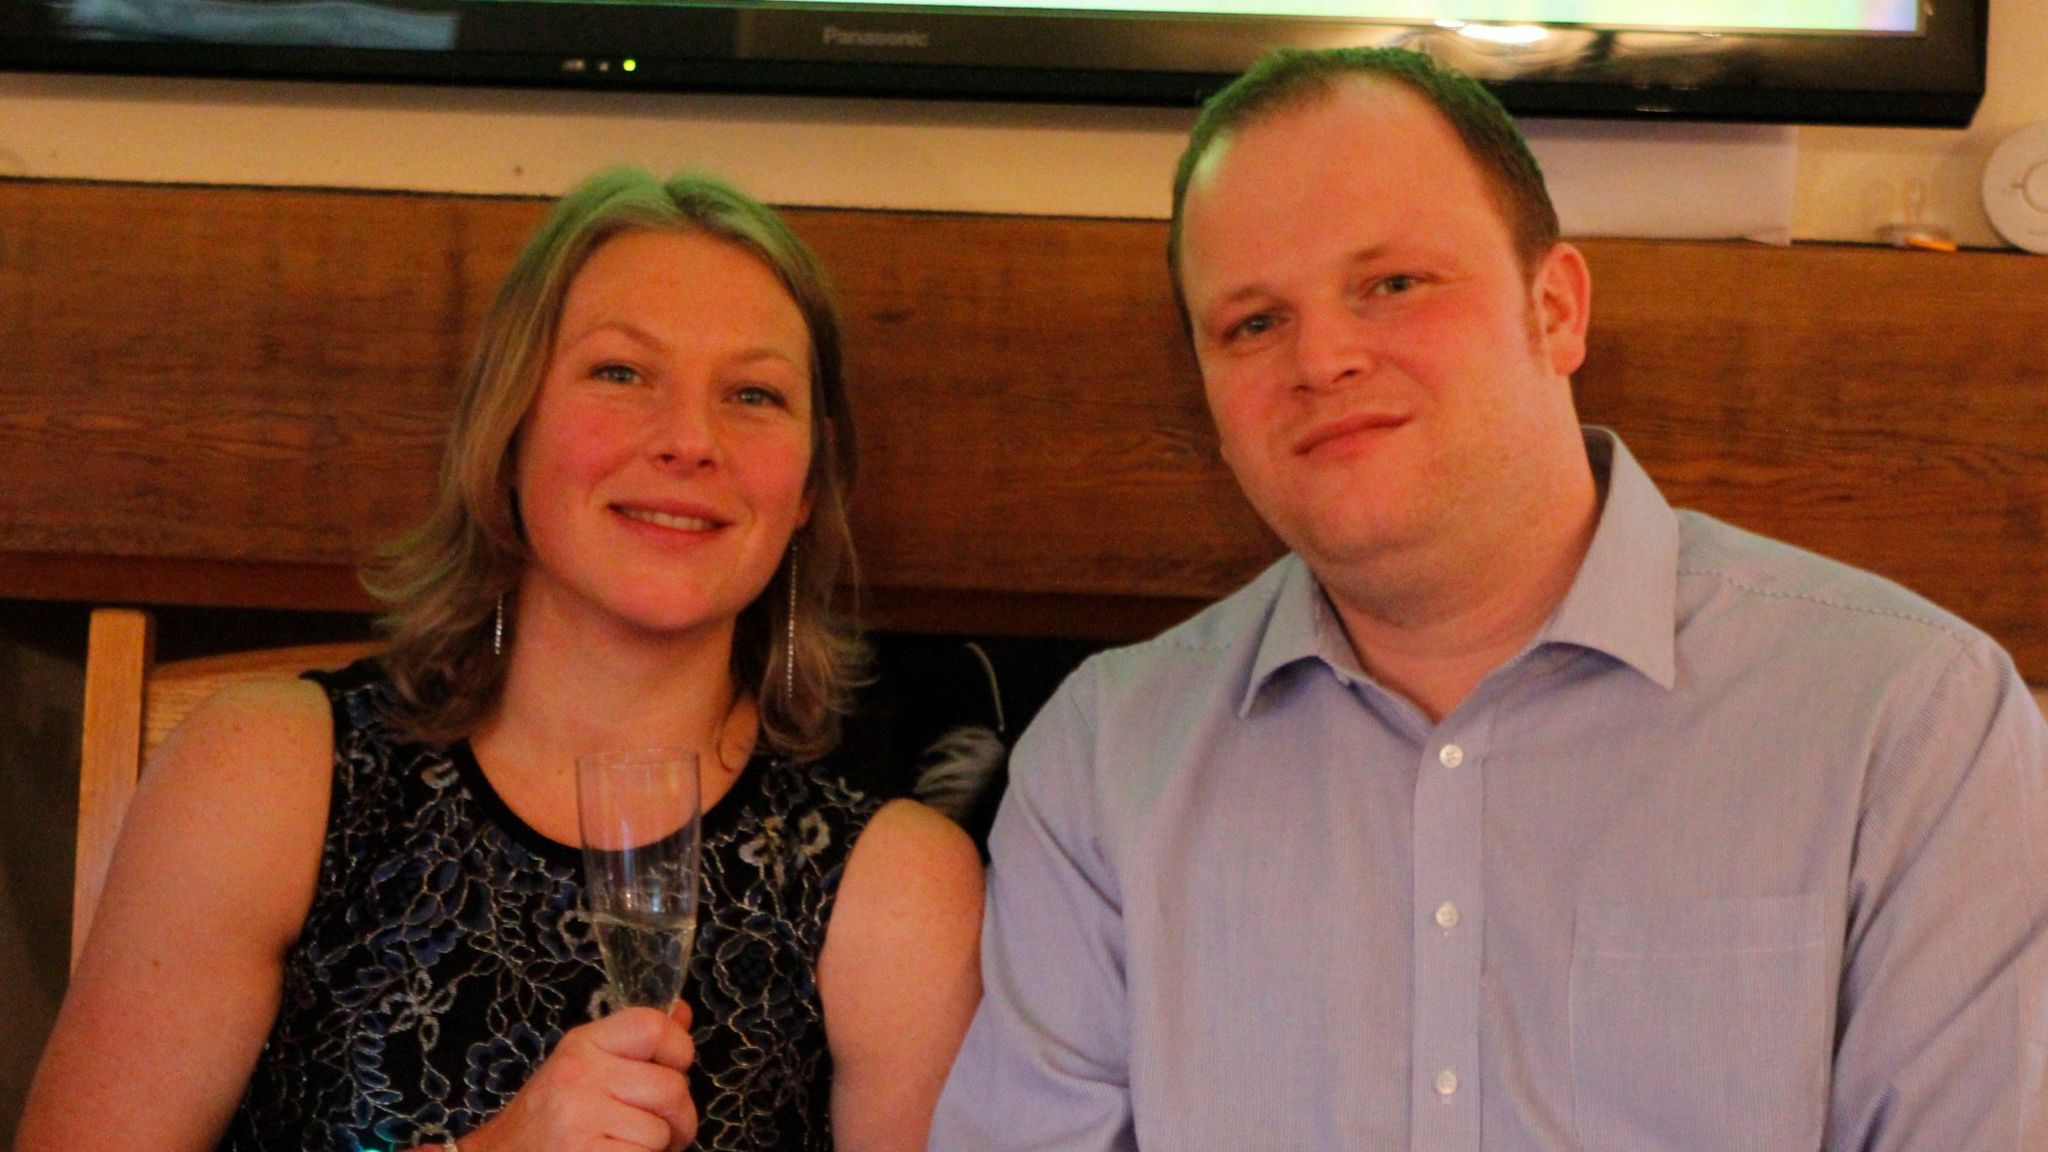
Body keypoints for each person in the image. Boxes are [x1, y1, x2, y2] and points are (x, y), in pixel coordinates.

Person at [929, 46, 2048, 1152]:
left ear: (1554, 309)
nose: (1320, 359)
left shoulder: (1908, 722)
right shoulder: (1102, 754)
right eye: (1252, 323)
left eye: (1392, 284)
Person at [19, 169, 983, 1152]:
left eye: (752, 393)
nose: (691, 441)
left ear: (811, 480)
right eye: (621, 373)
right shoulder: (271, 771)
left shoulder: (900, 886)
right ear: (508, 426)